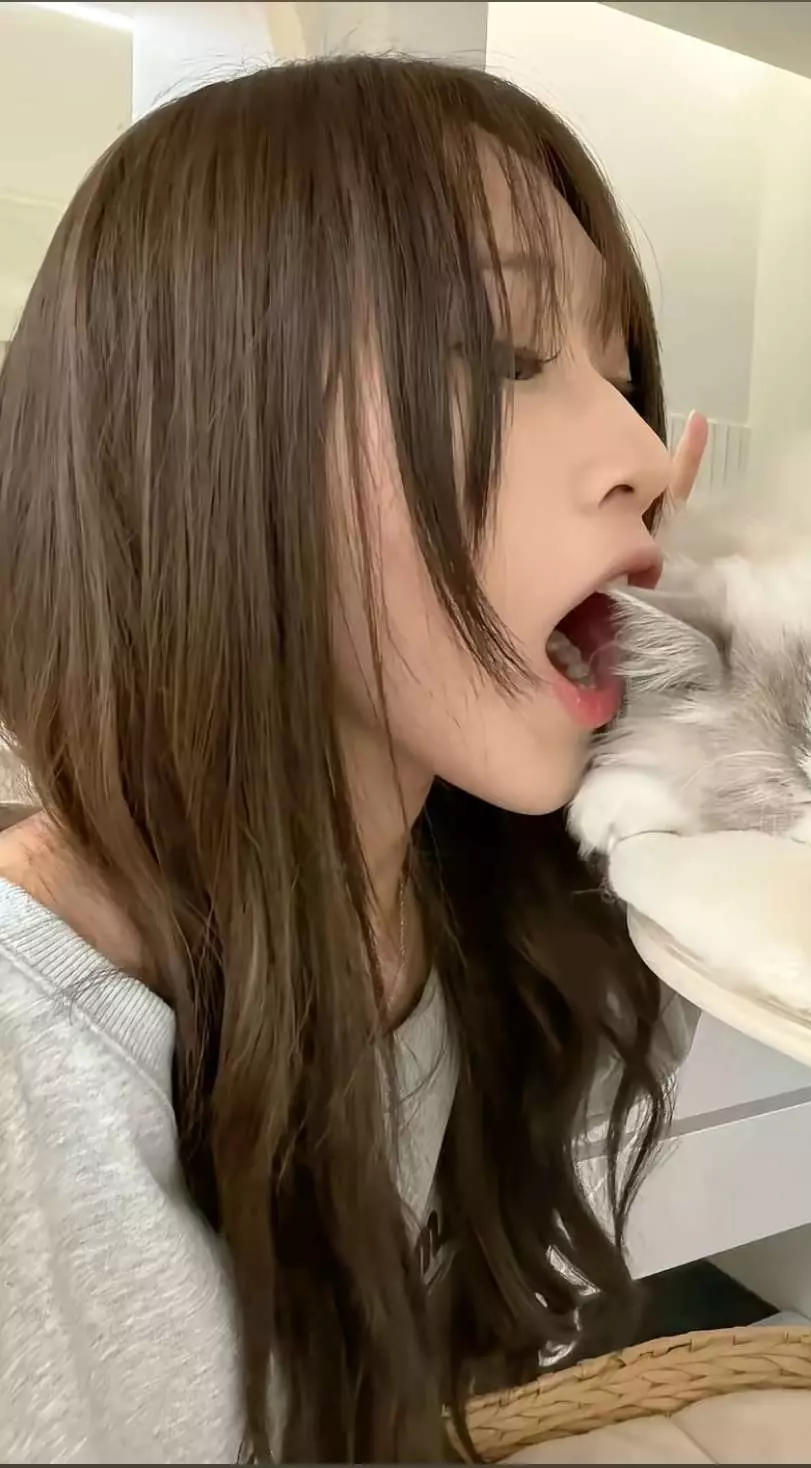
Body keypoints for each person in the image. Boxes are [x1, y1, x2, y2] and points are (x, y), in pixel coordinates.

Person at [0, 53, 707, 1464]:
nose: (641, 451)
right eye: (502, 357)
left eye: (623, 376)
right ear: (204, 433)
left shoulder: (450, 922)